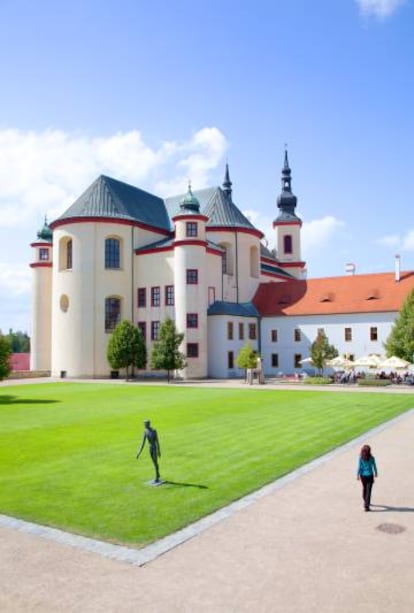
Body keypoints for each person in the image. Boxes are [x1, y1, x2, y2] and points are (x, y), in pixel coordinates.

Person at [357, 444, 378, 511]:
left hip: (362, 475)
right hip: (369, 475)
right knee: (369, 491)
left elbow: (359, 467)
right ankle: (366, 506)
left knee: (364, 488)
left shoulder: (361, 458)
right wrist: (376, 473)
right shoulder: (372, 458)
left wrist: (357, 475)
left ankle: (365, 500)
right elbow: (374, 466)